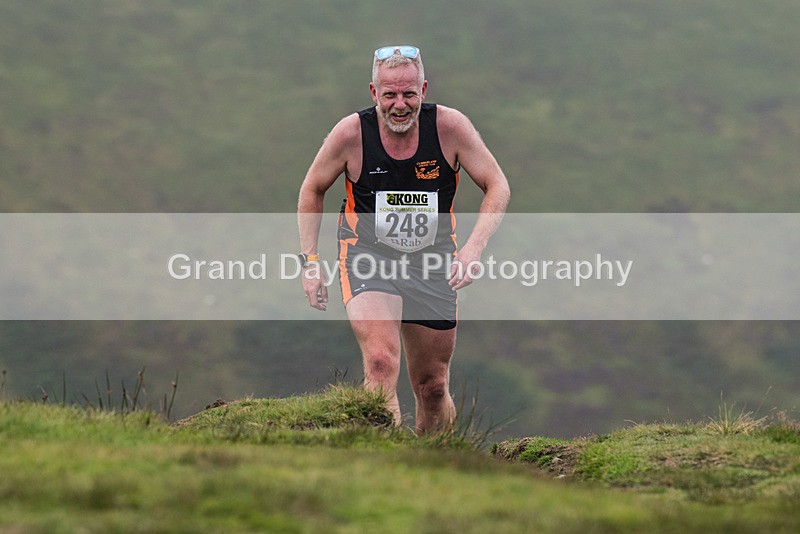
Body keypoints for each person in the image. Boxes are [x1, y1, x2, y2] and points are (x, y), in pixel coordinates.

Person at [297, 45, 510, 433]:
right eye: (390, 94)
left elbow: (497, 185)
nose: (399, 105)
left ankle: (437, 467)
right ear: (374, 92)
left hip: (431, 264)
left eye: (409, 94)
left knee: (432, 385)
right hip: (367, 258)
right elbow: (312, 189)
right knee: (380, 363)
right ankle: (386, 463)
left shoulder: (450, 128)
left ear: (424, 90)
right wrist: (310, 262)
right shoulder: (351, 134)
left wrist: (474, 247)